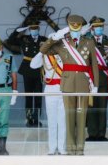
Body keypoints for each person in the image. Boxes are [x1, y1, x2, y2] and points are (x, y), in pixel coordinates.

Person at [39, 14, 99, 155]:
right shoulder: (61, 43)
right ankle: (71, 148)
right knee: (69, 117)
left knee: (81, 117)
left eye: (77, 28)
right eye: (72, 28)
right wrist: (54, 37)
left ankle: (80, 148)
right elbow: (43, 50)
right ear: (69, 28)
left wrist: (95, 85)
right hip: (67, 84)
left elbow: (94, 65)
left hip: (84, 83)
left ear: (80, 28)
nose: (75, 30)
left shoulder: (89, 42)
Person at [5, 18, 46, 127]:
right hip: (27, 69)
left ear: (38, 28)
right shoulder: (24, 38)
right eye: (31, 28)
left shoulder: (43, 39)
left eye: (35, 28)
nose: (33, 30)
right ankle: (29, 118)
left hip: (39, 69)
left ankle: (36, 119)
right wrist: (22, 29)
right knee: (28, 95)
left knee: (38, 96)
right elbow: (11, 40)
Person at [30, 46, 67, 155]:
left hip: (64, 88)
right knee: (51, 120)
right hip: (50, 88)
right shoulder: (45, 55)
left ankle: (61, 147)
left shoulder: (65, 53)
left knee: (62, 120)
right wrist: (41, 51)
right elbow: (33, 65)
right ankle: (52, 147)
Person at [86, 16, 108, 142]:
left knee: (102, 107)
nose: (99, 29)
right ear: (92, 28)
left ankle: (101, 134)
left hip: (104, 78)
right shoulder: (87, 41)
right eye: (96, 27)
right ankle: (92, 134)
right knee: (91, 107)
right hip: (91, 78)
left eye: (101, 26)